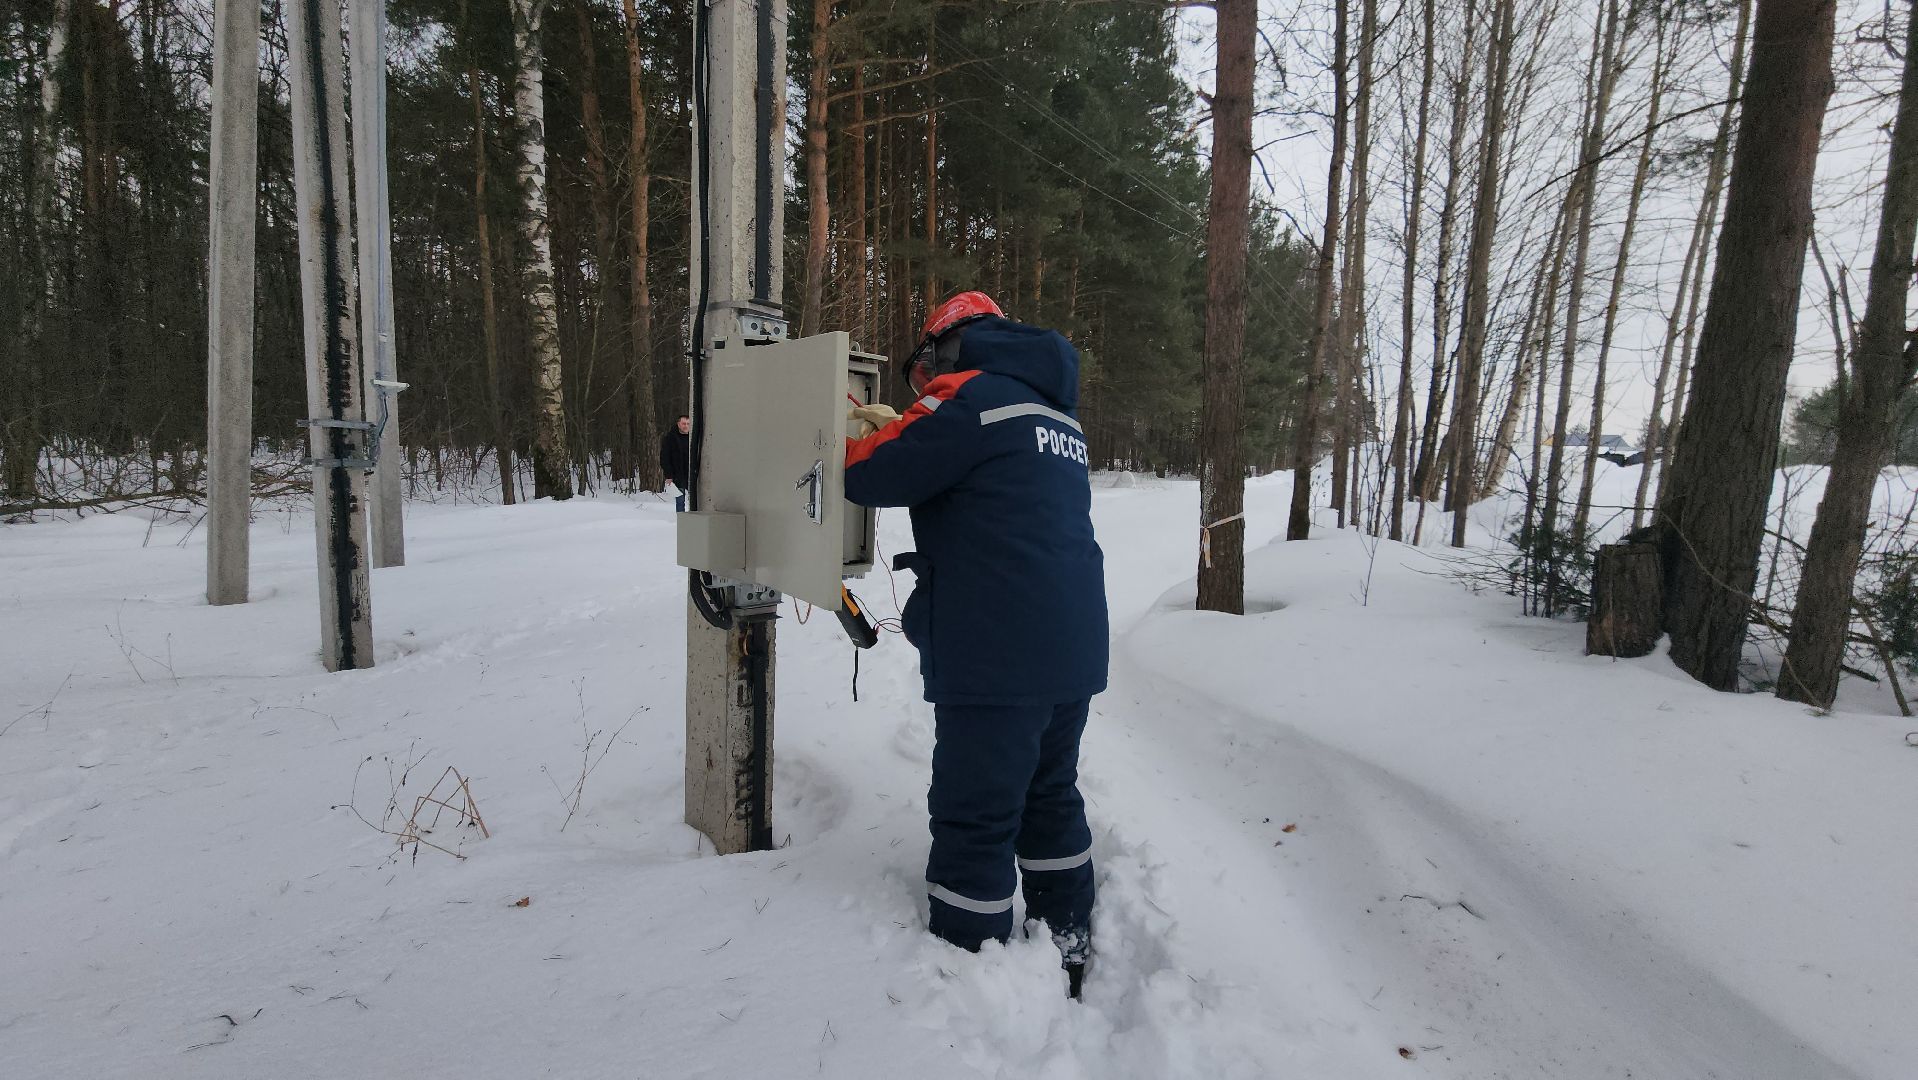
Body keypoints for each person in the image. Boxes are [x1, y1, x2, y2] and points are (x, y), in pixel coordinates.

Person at [843, 291, 1108, 999]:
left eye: (925, 361)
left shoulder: (967, 394)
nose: (923, 378)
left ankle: (974, 965)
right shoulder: (1055, 412)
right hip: (1071, 648)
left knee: (977, 809)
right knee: (1050, 794)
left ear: (949, 345)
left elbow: (871, 471)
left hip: (998, 652)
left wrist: (847, 427)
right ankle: (1068, 939)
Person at [659, 415, 691, 510]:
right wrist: (669, 475)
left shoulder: (693, 438)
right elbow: (665, 458)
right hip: (677, 475)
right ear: (678, 424)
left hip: (692, 474)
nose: (686, 426)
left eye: (688, 424)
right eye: (683, 423)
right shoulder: (670, 438)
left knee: (695, 501)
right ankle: (681, 522)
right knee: (680, 501)